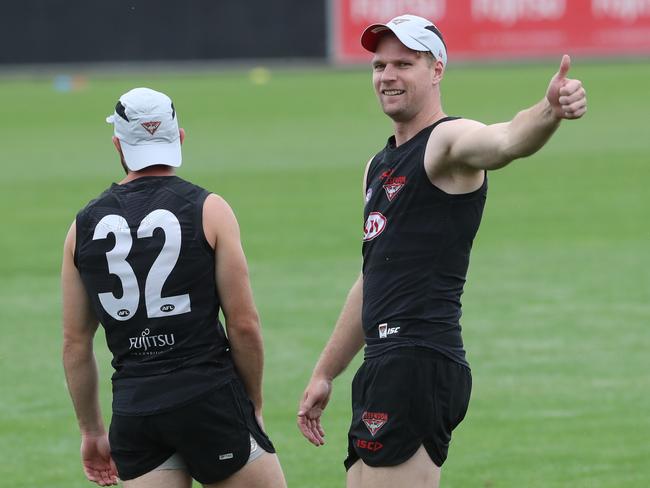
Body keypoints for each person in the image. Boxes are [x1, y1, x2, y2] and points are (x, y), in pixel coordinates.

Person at [297, 14, 587, 488]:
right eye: (379, 65)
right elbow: (374, 276)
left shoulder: (446, 143)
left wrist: (548, 109)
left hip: (419, 361)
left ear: (437, 70)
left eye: (404, 64)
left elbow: (505, 140)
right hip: (382, 364)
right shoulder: (378, 165)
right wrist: (326, 372)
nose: (387, 75)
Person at [62, 87, 287, 488]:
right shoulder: (209, 209)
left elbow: (75, 344)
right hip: (209, 398)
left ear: (118, 144)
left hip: (135, 412)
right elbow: (244, 324)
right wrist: (252, 402)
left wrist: (92, 432)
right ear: (179, 137)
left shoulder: (81, 228)